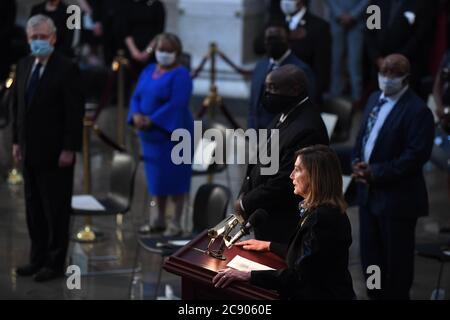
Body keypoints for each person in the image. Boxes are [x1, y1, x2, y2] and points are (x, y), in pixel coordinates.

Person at [213, 145, 355, 300]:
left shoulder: (323, 218)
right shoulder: (319, 210)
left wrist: (248, 276)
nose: (291, 175)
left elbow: (301, 275)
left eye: (298, 170)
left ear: (315, 176)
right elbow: (308, 256)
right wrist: (269, 246)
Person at [352, 54, 435, 299]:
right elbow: (362, 137)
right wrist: (356, 162)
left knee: (396, 264)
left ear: (405, 77)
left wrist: (376, 172)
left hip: (398, 201)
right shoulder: (374, 98)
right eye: (383, 71)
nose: (386, 77)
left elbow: (414, 157)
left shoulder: (418, 111)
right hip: (368, 196)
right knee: (371, 259)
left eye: (393, 73)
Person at [11, 15, 84, 282]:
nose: (38, 42)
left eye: (43, 37)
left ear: (53, 38)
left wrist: (69, 148)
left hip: (56, 153)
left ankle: (54, 263)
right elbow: (17, 106)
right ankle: (37, 258)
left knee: (55, 210)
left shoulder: (67, 68)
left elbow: (74, 113)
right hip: (29, 150)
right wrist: (16, 142)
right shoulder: (24, 65)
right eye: (34, 38)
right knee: (33, 208)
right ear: (28, 39)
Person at [236, 64, 329, 243]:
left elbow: (286, 180)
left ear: (296, 89)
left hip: (285, 222)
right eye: (267, 87)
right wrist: (245, 193)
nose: (268, 94)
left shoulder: (307, 127)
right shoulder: (286, 113)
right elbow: (260, 158)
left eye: (274, 88)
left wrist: (245, 202)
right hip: (266, 215)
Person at [127, 33, 193, 237]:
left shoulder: (181, 74)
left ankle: (176, 222)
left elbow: (177, 103)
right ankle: (157, 219)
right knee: (156, 180)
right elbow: (136, 95)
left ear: (177, 53)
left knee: (176, 180)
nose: (163, 53)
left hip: (173, 134)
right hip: (150, 138)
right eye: (160, 49)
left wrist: (152, 120)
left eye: (168, 50)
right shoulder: (148, 69)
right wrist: (136, 114)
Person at [248, 22, 316, 130]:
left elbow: (305, 111)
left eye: (277, 38)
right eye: (268, 39)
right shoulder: (261, 66)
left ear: (288, 39)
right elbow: (253, 106)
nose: (272, 43)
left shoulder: (300, 70)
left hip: (282, 136)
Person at [279, 0, 331, 100]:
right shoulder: (277, 22)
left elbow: (321, 68)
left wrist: (315, 97)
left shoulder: (319, 26)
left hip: (303, 93)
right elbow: (258, 47)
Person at [325, 0, 368, 102]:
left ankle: (357, 99)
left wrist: (353, 15)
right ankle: (334, 97)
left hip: (357, 22)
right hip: (336, 21)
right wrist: (339, 14)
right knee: (336, 61)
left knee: (355, 63)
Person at [121, 0, 165, 72]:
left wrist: (147, 52)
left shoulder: (157, 5)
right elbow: (125, 31)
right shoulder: (128, 5)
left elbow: (159, 33)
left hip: (151, 51)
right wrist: (134, 52)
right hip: (131, 50)